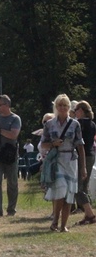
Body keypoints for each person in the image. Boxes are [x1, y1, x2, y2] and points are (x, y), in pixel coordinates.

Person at [41, 94, 88, 232]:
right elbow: (43, 144)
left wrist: (83, 167)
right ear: (56, 107)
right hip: (57, 160)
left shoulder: (75, 124)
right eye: (60, 105)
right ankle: (55, 221)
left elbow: (80, 146)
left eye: (65, 105)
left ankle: (63, 225)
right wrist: (52, 143)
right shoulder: (49, 124)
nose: (62, 108)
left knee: (69, 194)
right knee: (60, 190)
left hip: (71, 160)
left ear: (69, 108)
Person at [0, 95, 21, 218]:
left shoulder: (15, 119)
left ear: (7, 105)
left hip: (10, 154)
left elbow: (13, 135)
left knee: (12, 183)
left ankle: (11, 209)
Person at [73, 101, 96, 225]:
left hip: (83, 156)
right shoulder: (92, 124)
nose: (75, 112)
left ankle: (90, 214)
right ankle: (88, 214)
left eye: (76, 109)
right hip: (91, 155)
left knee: (77, 187)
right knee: (84, 186)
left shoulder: (79, 124)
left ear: (81, 110)